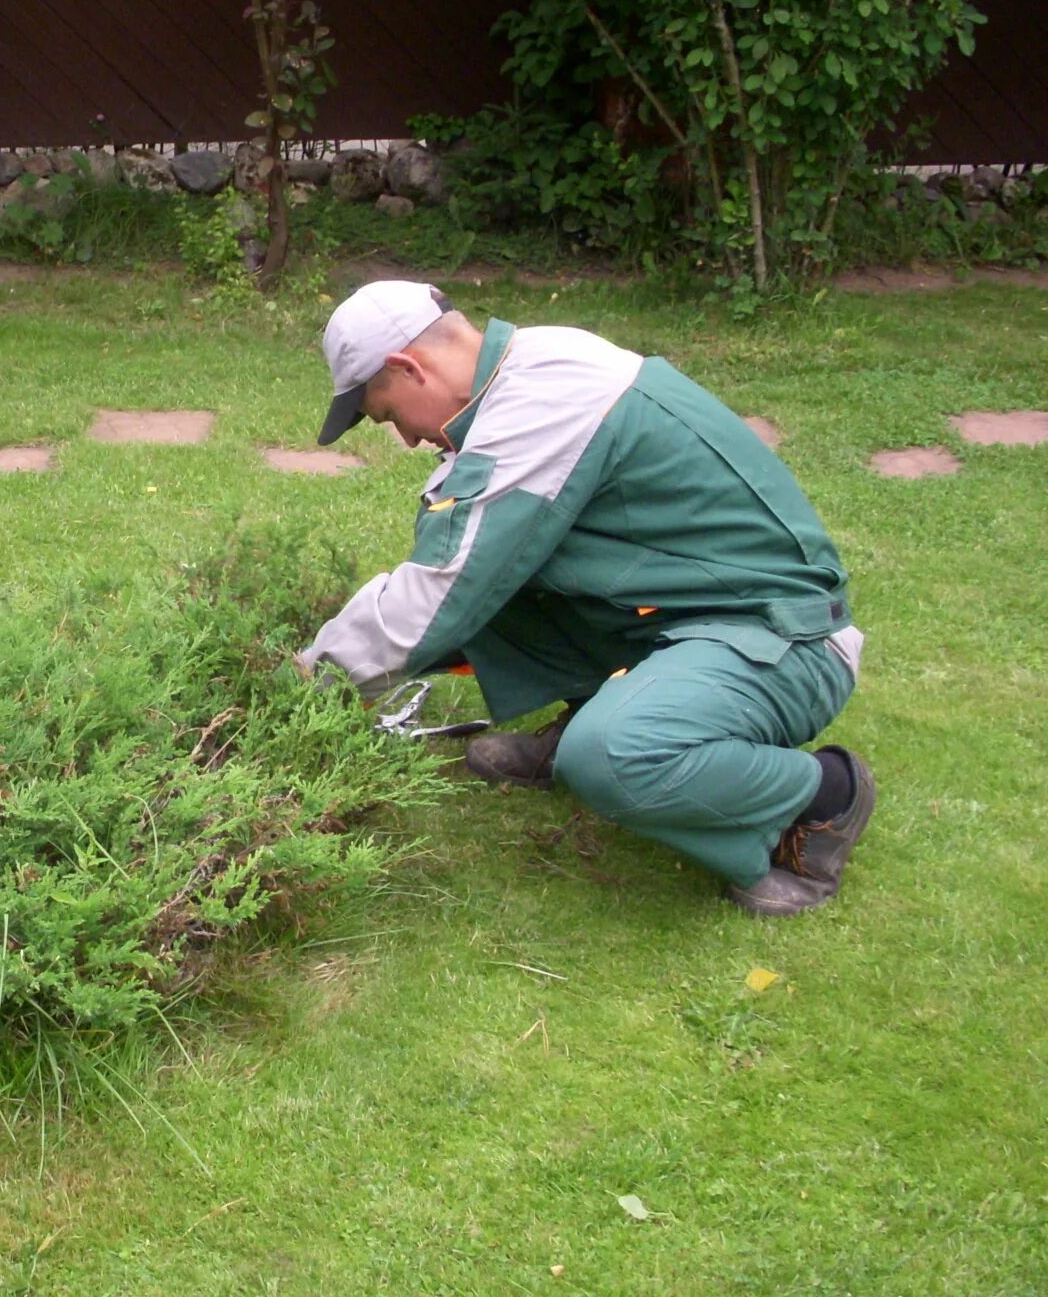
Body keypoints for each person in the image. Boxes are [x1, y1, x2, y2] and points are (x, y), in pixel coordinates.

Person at [296, 281, 873, 917]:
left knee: (611, 757)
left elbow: (441, 589)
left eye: (388, 415)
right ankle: (598, 711)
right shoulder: (525, 369)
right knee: (497, 570)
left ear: (409, 368)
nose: (405, 439)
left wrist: (306, 683)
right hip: (684, 615)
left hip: (782, 638)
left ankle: (818, 799)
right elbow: (459, 563)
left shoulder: (546, 399)